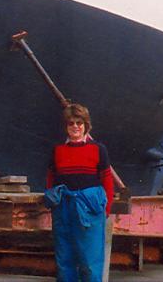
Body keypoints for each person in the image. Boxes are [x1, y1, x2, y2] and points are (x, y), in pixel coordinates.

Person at [44, 103, 114, 282]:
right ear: (66, 126)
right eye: (71, 123)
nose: (75, 126)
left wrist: (106, 209)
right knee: (64, 257)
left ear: (86, 125)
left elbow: (107, 180)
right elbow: (51, 178)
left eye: (79, 123)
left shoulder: (98, 149)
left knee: (90, 260)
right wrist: (54, 203)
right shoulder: (57, 150)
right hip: (63, 209)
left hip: (89, 209)